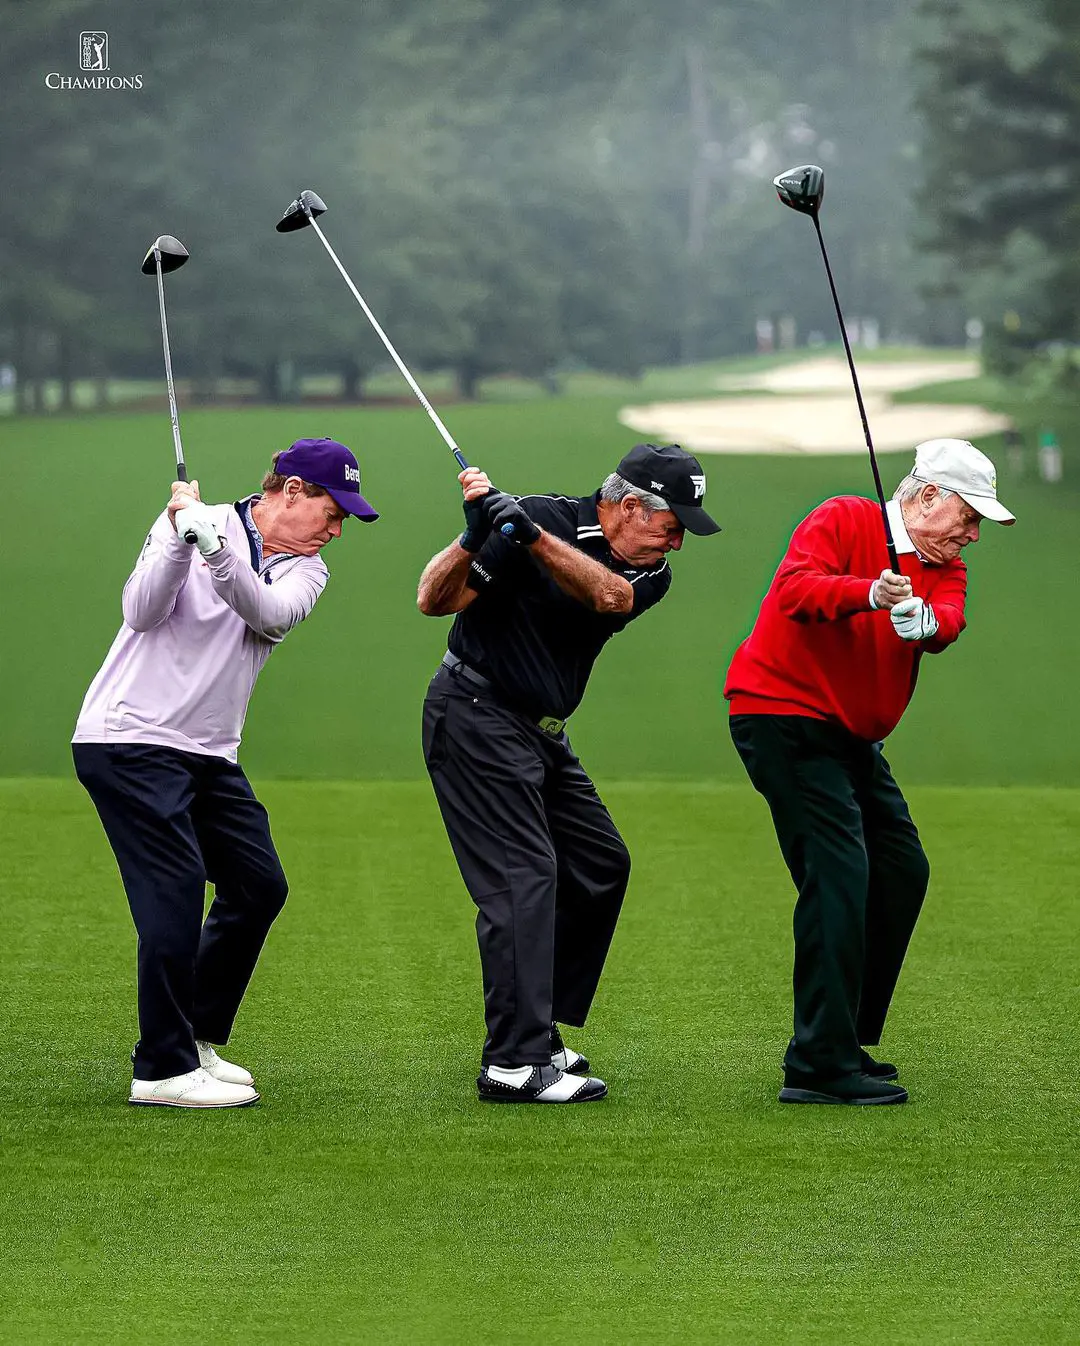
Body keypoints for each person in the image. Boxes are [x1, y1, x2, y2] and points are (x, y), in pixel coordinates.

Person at [72, 438, 378, 1109]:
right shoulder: (186, 520)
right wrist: (183, 540)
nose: (335, 530)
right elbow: (140, 612)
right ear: (291, 490)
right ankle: (161, 1069)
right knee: (176, 888)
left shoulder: (307, 572)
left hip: (209, 754)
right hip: (129, 739)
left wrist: (211, 548)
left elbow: (265, 613)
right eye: (332, 511)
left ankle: (195, 1040)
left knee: (257, 885)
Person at [417, 443, 721, 1103]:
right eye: (673, 525)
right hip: (474, 713)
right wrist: (474, 539)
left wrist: (529, 538)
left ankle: (539, 1029)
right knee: (522, 878)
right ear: (630, 506)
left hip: (541, 734)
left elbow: (608, 596)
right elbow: (434, 599)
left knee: (600, 864)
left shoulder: (647, 573)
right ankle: (513, 1062)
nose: (677, 543)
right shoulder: (536, 516)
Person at [724, 438, 1014, 1106]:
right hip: (783, 714)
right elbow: (797, 590)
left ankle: (844, 1034)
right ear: (926, 496)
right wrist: (870, 593)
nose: (971, 534)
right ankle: (818, 1065)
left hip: (852, 738)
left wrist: (924, 620)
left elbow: (950, 621)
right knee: (838, 874)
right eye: (967, 516)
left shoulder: (945, 566)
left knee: (901, 867)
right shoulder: (844, 517)